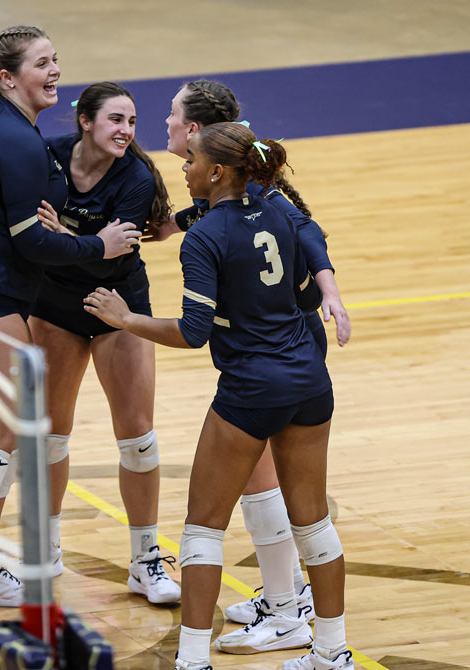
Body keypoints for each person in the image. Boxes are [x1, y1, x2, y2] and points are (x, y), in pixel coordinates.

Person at [85, 123, 353, 670]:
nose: (182, 168)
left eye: (190, 161)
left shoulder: (206, 237)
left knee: (204, 525)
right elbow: (305, 276)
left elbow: (193, 331)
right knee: (315, 523)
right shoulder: (279, 211)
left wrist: (126, 318)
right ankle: (332, 652)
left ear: (217, 172)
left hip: (251, 389)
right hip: (308, 379)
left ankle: (190, 662)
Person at [148, 80, 352, 654]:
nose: (164, 126)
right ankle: (312, 631)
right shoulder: (257, 200)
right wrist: (182, 221)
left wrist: (124, 319)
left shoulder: (225, 225)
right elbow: (288, 228)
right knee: (304, 512)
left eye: (172, 118)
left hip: (268, 358)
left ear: (202, 148)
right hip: (303, 367)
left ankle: (276, 613)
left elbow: (192, 330)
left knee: (217, 515)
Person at [0, 26, 141, 613]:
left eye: (57, 59)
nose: (56, 70)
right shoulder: (19, 138)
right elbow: (30, 239)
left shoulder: (3, 121)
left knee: (4, 437)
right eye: (43, 63)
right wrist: (97, 247)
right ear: (8, 77)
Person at [26, 81, 179, 603]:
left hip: (121, 304)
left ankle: (146, 561)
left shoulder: (135, 177)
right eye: (116, 119)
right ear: (85, 121)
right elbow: (28, 239)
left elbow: (112, 260)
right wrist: (79, 245)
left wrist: (65, 241)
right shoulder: (46, 158)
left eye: (132, 122)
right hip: (54, 307)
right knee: (49, 436)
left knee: (138, 437)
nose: (127, 131)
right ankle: (44, 555)